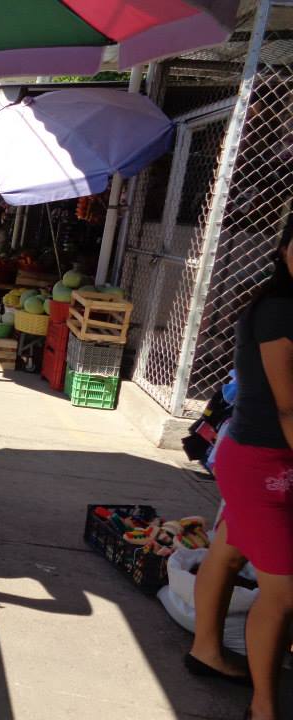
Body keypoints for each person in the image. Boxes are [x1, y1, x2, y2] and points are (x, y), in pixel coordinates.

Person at [190, 227, 292, 720]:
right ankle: (264, 708)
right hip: (264, 461)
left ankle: (205, 651)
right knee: (283, 592)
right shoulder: (280, 310)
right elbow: (288, 407)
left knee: (227, 551)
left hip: (254, 457)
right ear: (282, 248)